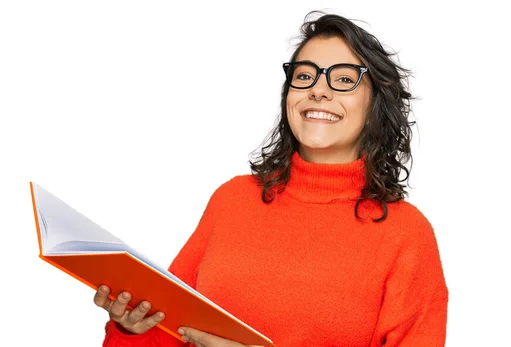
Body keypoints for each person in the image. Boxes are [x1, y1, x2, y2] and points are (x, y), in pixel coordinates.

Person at [95, 11, 448, 347]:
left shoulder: (406, 235)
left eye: (343, 79)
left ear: (376, 104)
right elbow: (172, 332)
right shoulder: (231, 200)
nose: (318, 90)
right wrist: (131, 329)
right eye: (305, 75)